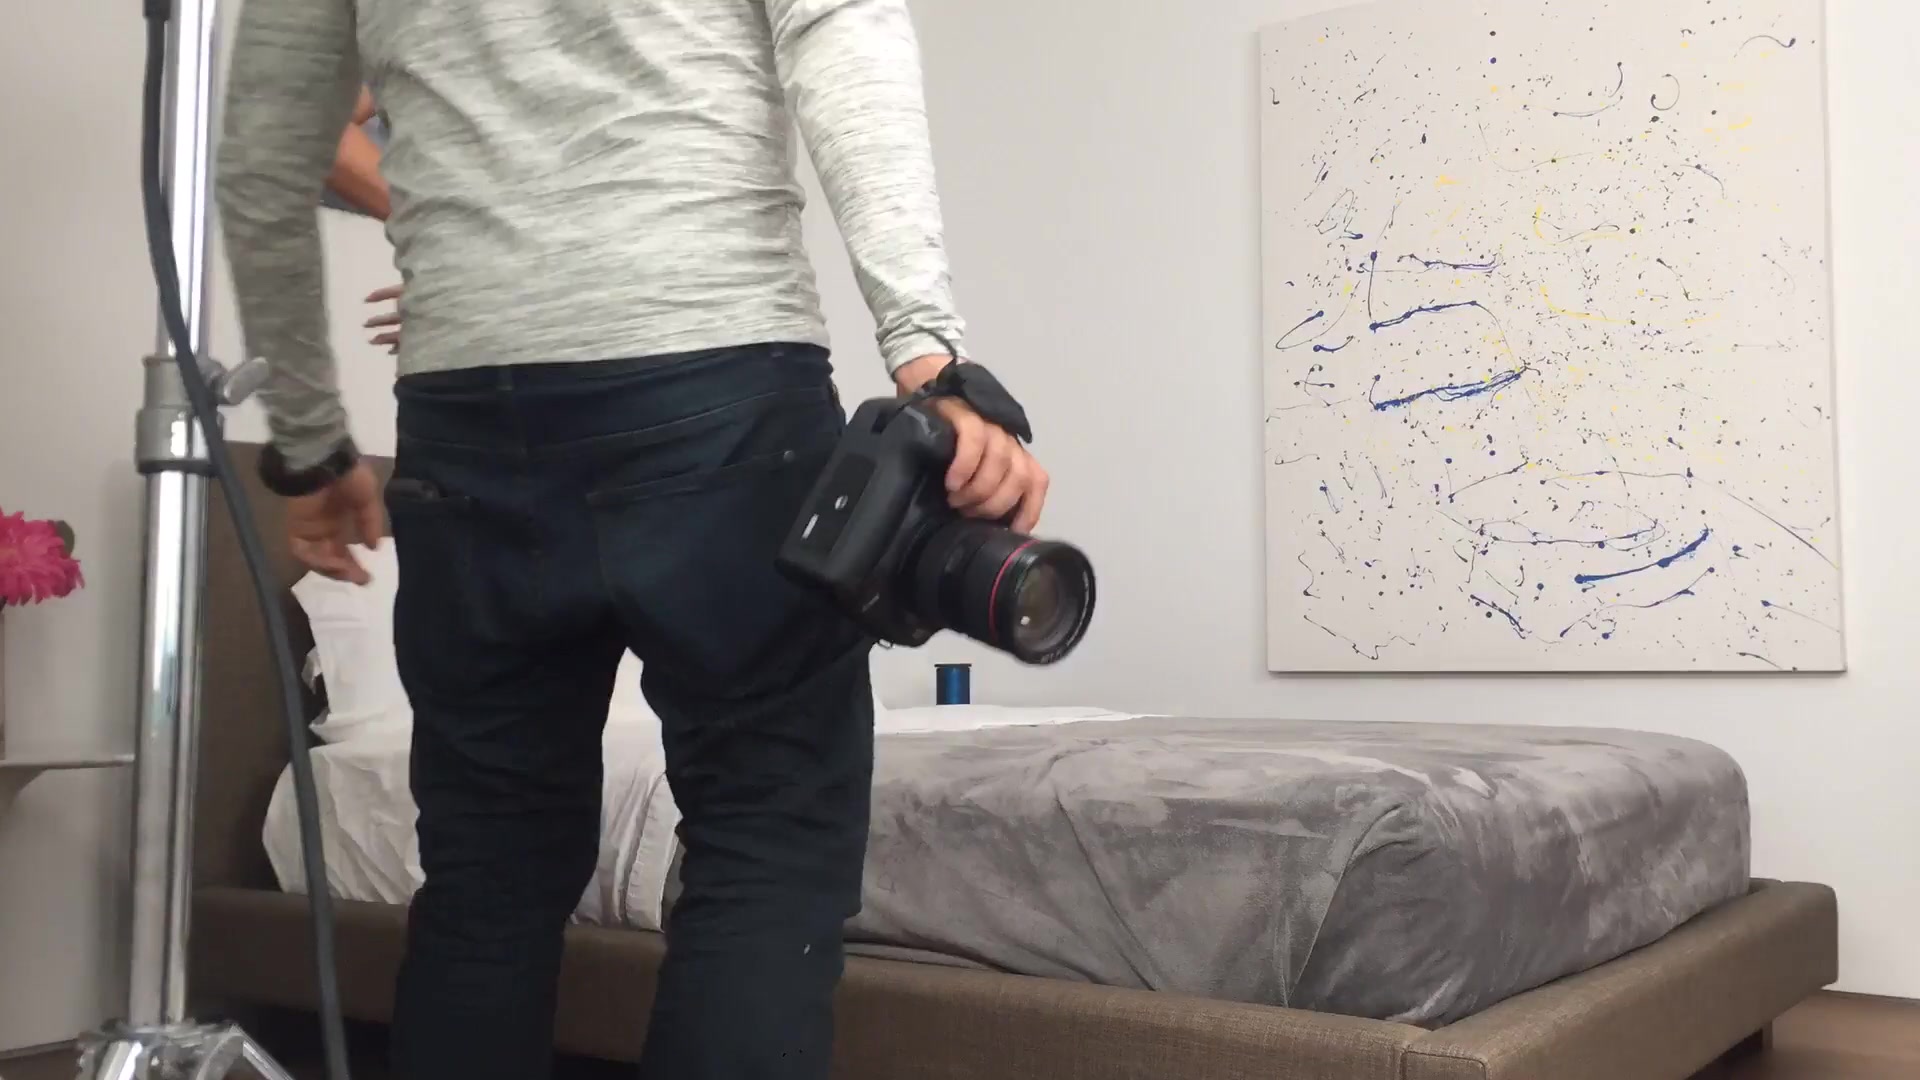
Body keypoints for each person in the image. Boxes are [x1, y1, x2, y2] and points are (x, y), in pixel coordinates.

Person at [214, 3, 1047, 1080]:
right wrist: (930, 359)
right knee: (766, 839)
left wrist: (311, 444)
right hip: (719, 387)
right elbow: (842, 24)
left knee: (486, 874)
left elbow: (262, 157)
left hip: (467, 424)